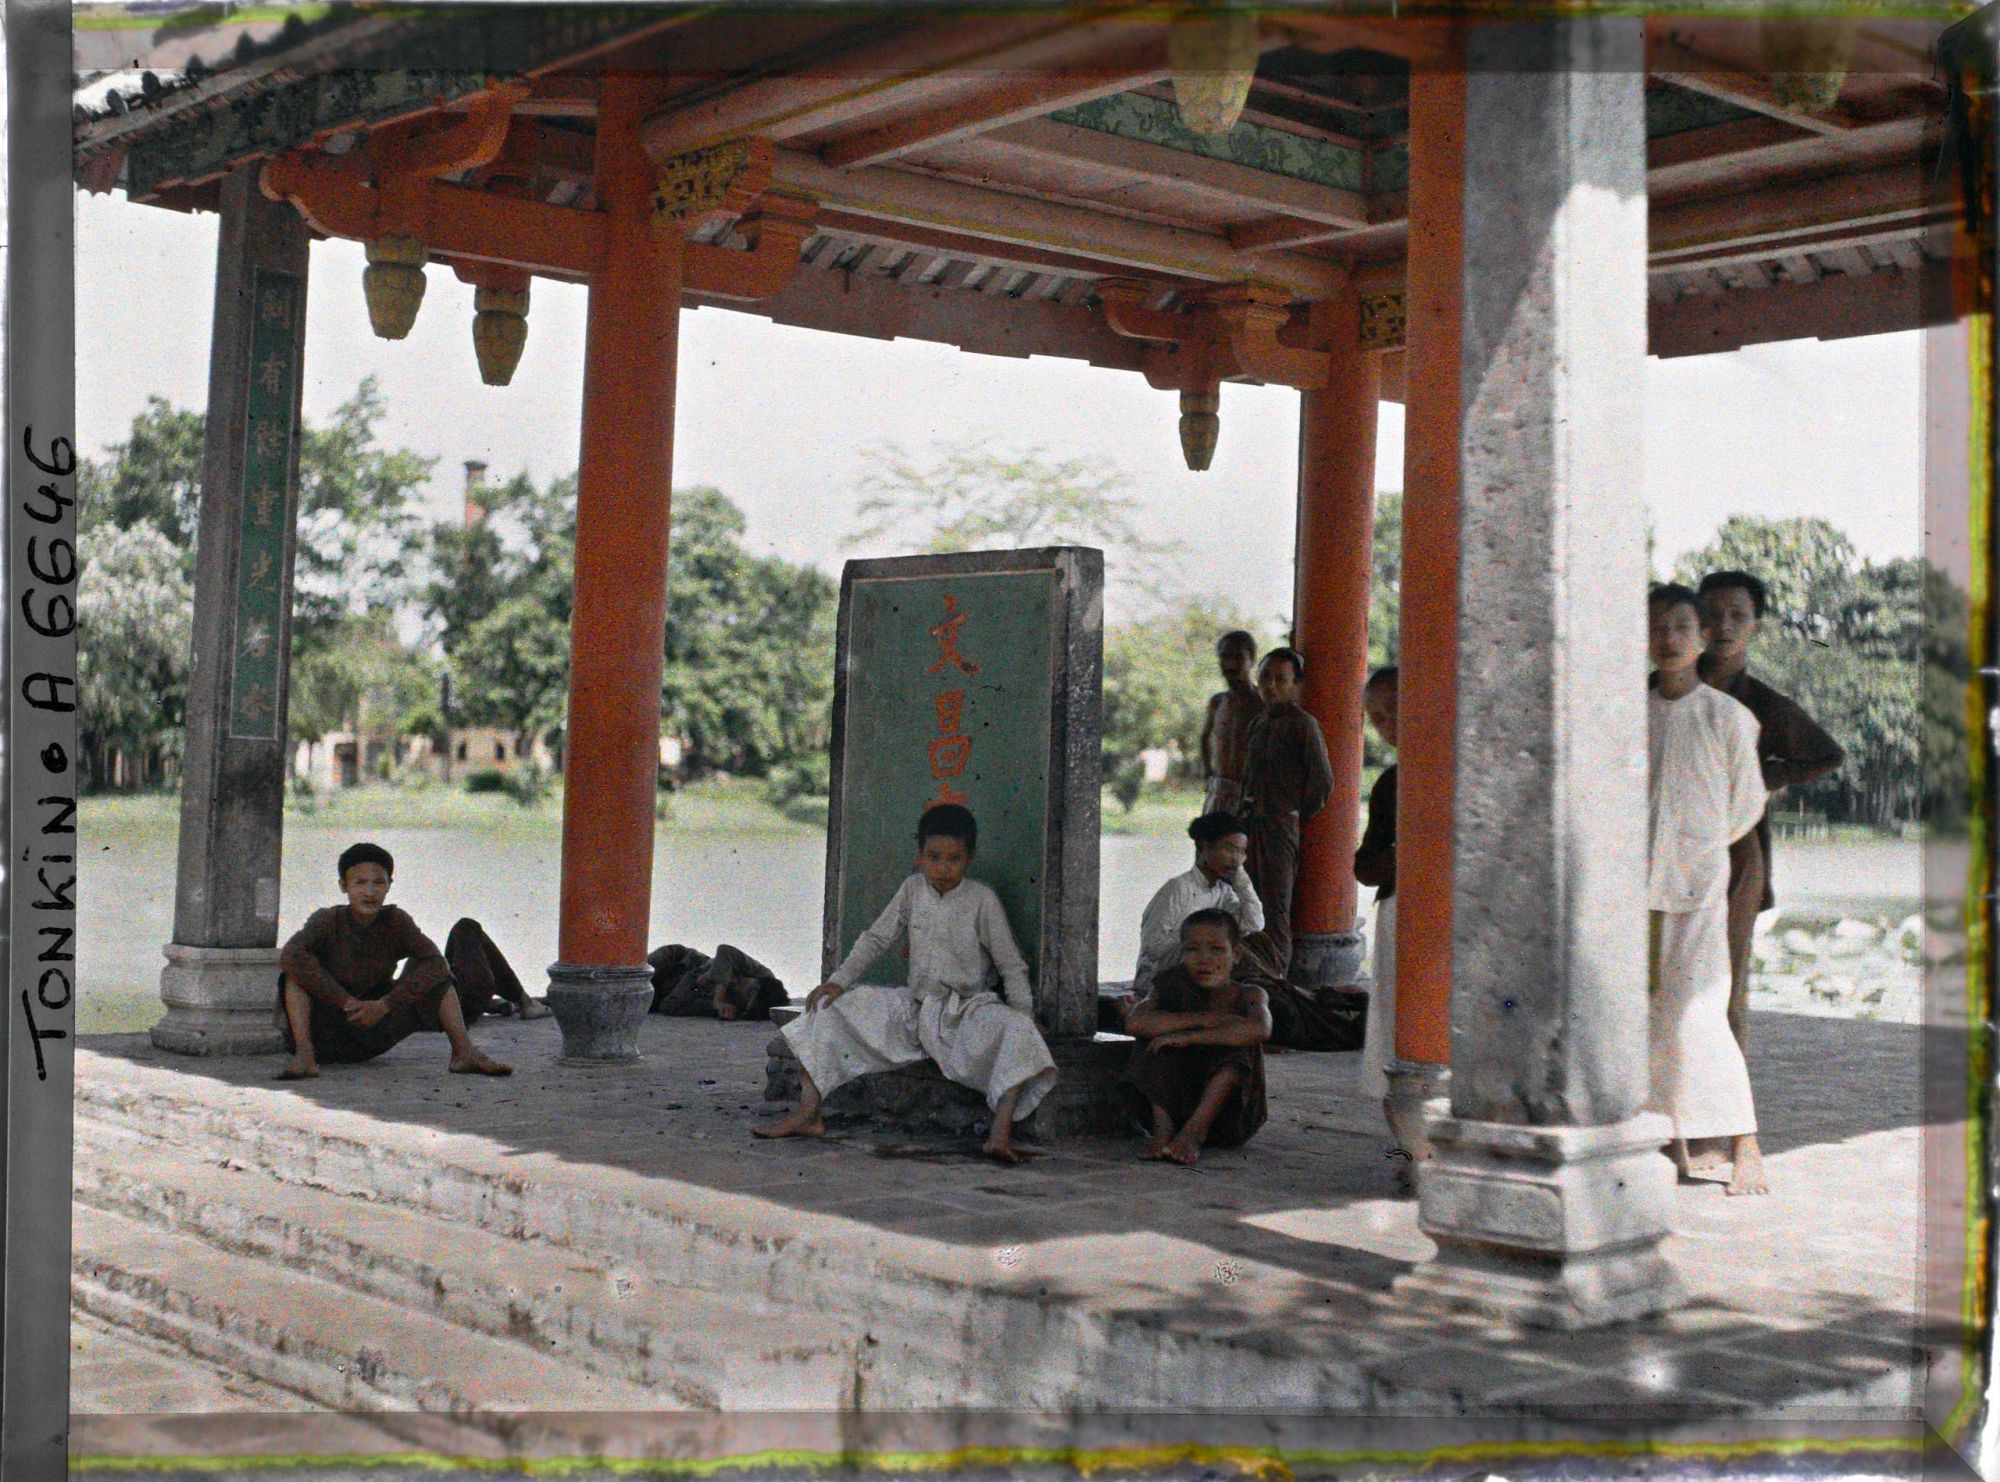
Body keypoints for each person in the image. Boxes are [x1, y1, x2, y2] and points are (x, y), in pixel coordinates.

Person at [755, 803, 1057, 1163]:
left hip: (965, 1013)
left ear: (970, 858)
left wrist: (1023, 1013)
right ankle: (809, 1114)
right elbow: (876, 939)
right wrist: (837, 982)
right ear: (920, 855)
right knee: (827, 1009)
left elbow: (1011, 965)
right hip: (914, 1008)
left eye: (954, 858)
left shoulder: (982, 900)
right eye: (934, 857)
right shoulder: (912, 890)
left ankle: (999, 1134)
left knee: (1019, 1032)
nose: (943, 868)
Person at [1647, 585, 1769, 1197]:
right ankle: (1670, 1142)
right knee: (1648, 1017)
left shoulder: (1727, 717)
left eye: (1679, 628)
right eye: (1656, 629)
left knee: (1700, 1015)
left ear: (1700, 639)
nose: (1667, 640)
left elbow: (1745, 806)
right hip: (1632, 889)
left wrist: (1695, 849)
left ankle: (1745, 1142)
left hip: (1697, 886)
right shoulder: (1629, 712)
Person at [1695, 570, 1846, 1053]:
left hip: (1738, 853)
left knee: (1729, 989)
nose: (1723, 626)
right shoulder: (1659, 690)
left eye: (1738, 616)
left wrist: (1768, 779)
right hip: (1667, 848)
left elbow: (1827, 754)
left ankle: (1736, 1121)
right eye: (1712, 615)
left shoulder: (1763, 704)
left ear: (1756, 626)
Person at [274, 842, 512, 1080]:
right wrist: (344, 1001)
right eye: (360, 883)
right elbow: (290, 955)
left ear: (389, 886)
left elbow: (436, 963)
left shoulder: (396, 922)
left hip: (373, 1030)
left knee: (434, 973)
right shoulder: (327, 920)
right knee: (294, 976)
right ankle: (305, 1056)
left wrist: (385, 1005)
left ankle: (464, 1052)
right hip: (326, 1033)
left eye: (378, 882)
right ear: (343, 886)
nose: (369, 892)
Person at [1123, 909, 1271, 1167]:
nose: (1204, 959)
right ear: (1182, 954)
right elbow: (1136, 1021)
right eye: (1192, 950)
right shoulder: (1170, 987)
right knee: (1153, 1036)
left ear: (1235, 955)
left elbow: (1260, 1029)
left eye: (1216, 949)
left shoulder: (1249, 994)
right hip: (1176, 1105)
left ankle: (1195, 1131)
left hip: (1231, 1117)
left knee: (1237, 1044)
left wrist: (1191, 1038)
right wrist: (1205, 1019)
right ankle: (1163, 1130)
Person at [1238, 646, 1334, 977]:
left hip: (1279, 826)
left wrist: (1293, 813)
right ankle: (1251, 978)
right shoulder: (1258, 723)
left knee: (1276, 908)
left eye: (1281, 679)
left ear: (1296, 685)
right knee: (1247, 902)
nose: (1271, 686)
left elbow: (1322, 782)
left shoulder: (1304, 726)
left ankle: (1277, 980)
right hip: (1250, 826)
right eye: (1265, 677)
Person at [1131, 811, 1263, 996]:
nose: (1236, 859)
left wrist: (1241, 879)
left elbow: (1254, 924)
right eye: (1230, 849)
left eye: (1241, 852)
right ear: (1204, 848)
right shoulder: (1178, 888)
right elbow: (1152, 948)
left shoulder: (1222, 892)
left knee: (1255, 946)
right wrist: (1201, 949)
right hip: (1160, 979)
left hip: (1204, 973)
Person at [1353, 666, 1400, 1103]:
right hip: (1399, 909)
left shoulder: (1459, 770)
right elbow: (1364, 868)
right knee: (1394, 1018)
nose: (1389, 726)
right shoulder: (1390, 784)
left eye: (1396, 711)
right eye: (1378, 719)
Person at [1199, 631, 1265, 813]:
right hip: (1218, 790)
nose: (1230, 664)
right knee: (1208, 841)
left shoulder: (1263, 704)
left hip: (1250, 794)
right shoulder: (1217, 702)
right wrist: (1207, 775)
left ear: (1251, 659)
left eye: (1238, 657)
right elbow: (1205, 738)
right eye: (1224, 657)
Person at [443, 918, 552, 1025]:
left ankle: (509, 1002)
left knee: (464, 938)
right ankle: (525, 1002)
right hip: (448, 1006)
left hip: (444, 1003)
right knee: (466, 926)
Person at [647, 942, 789, 1021]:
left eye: (749, 992)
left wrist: (695, 983)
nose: (742, 985)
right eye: (753, 985)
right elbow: (725, 951)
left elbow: (669, 1006)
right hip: (678, 960)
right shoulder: (762, 974)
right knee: (630, 973)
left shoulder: (727, 1009)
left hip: (663, 991)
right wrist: (719, 997)